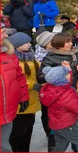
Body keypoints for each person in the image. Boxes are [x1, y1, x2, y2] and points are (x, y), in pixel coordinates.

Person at [39, 66, 78, 152]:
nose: (70, 75)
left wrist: (71, 69)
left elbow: (65, 76)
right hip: (67, 124)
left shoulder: (51, 89)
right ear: (61, 79)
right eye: (67, 74)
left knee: (60, 145)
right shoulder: (66, 93)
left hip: (56, 124)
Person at [7, 32, 42, 152]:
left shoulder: (30, 57)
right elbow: (16, 80)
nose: (29, 44)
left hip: (32, 100)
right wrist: (34, 85)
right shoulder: (14, 60)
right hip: (20, 103)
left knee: (28, 130)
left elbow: (41, 69)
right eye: (26, 42)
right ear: (17, 45)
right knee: (18, 132)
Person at [0, 24, 30, 152]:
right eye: (2, 32)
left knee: (4, 145)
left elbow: (19, 76)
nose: (6, 36)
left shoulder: (9, 54)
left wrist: (23, 97)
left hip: (8, 110)